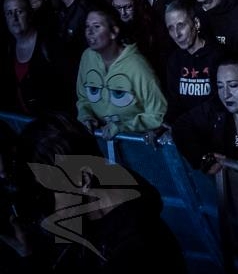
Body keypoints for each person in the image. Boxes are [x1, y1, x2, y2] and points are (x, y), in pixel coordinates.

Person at [10, 113, 186, 272]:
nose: (42, 209)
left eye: (46, 193)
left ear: (83, 180)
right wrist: (29, 253)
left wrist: (30, 262)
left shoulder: (134, 252)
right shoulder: (88, 219)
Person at [75, 7, 167, 139]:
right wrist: (86, 116)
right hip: (99, 142)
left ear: (114, 32)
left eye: (97, 26)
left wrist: (124, 126)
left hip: (132, 145)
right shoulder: (87, 57)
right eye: (87, 26)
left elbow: (158, 114)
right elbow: (83, 98)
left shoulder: (137, 66)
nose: (89, 32)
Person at [173, 54, 238, 178]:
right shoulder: (215, 109)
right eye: (220, 86)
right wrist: (202, 157)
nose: (226, 94)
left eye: (233, 85)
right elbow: (181, 126)